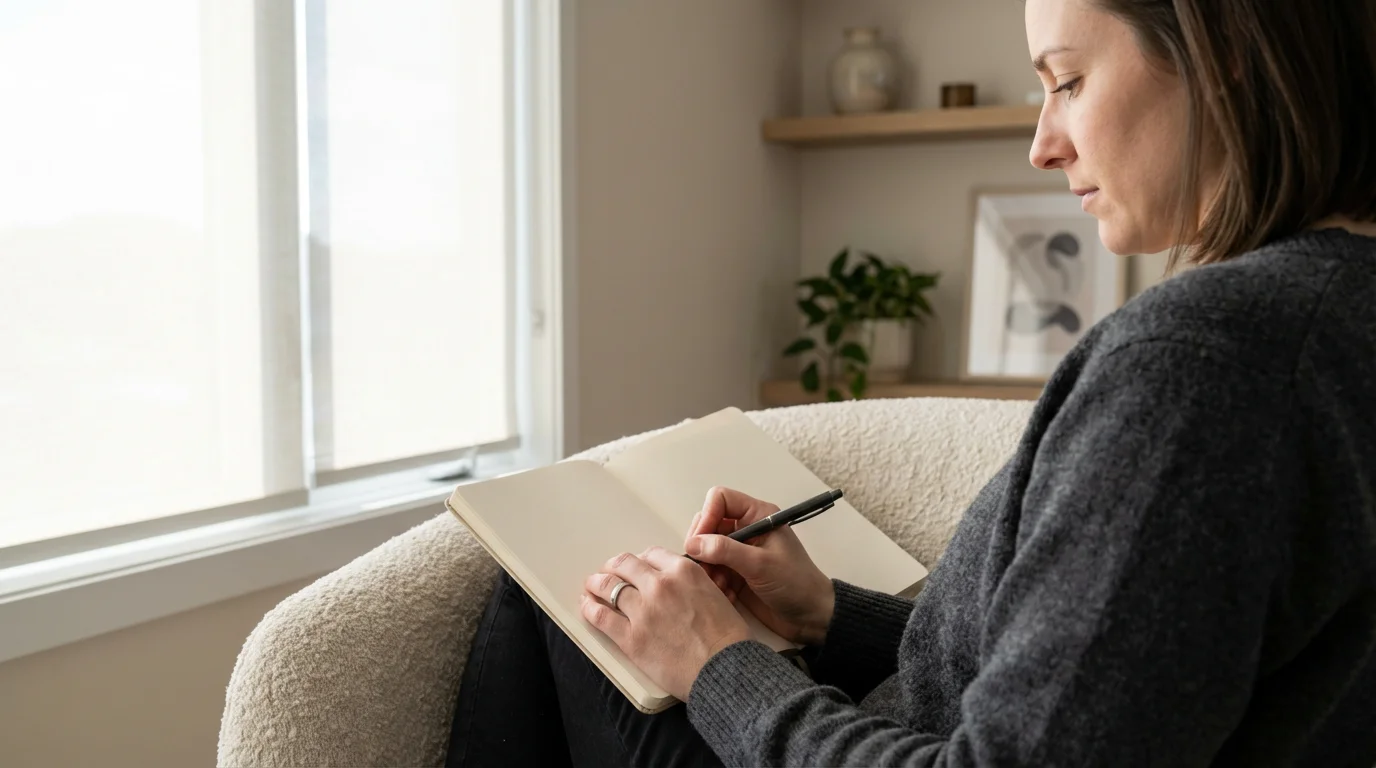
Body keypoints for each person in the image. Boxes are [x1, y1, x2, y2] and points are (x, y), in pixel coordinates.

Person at [446, 0, 1376, 764]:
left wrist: (719, 662)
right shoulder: (1336, 319)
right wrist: (826, 616)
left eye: (1069, 81)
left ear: (1224, 57)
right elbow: (1108, 684)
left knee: (553, 591)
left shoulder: (1202, 365)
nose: (1042, 143)